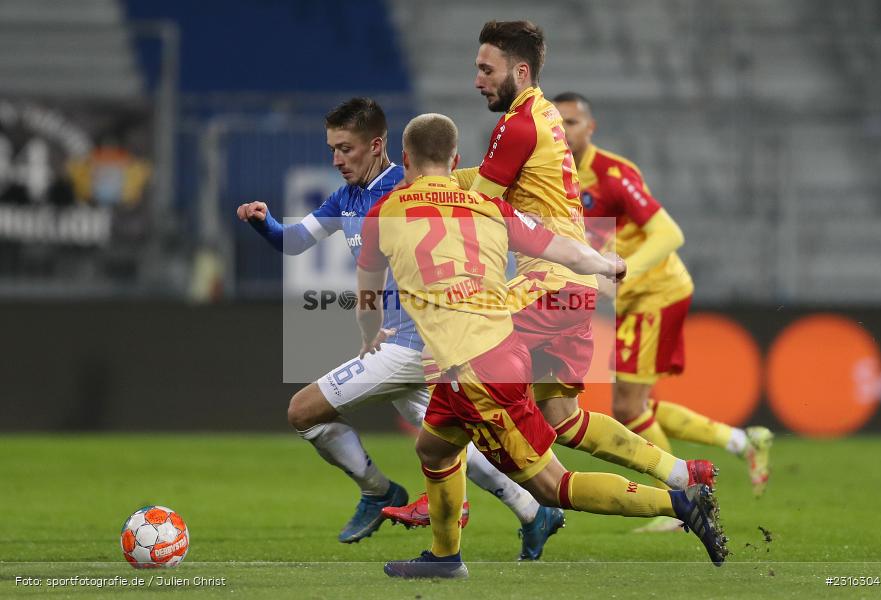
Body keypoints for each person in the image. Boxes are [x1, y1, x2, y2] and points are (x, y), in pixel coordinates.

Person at [386, 21, 717, 552]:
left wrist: (416, 187)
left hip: (546, 285)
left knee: (463, 366)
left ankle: (459, 503)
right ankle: (681, 473)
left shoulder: (517, 126)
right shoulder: (538, 115)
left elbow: (476, 207)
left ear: (519, 70)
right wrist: (428, 178)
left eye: (485, 69)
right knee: (563, 418)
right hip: (572, 290)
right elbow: (476, 185)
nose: (477, 80)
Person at [237, 97, 560, 553]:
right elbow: (293, 241)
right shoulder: (345, 198)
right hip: (403, 342)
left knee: (303, 411)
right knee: (452, 445)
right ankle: (534, 509)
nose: (336, 159)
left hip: (414, 344)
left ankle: (377, 490)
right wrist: (262, 221)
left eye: (345, 149)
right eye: (332, 148)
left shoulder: (407, 190)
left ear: (377, 145)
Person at [552, 91, 774, 529]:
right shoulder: (554, 176)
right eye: (557, 122)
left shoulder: (612, 175)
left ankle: (683, 503)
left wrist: (624, 271)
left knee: (630, 407)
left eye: (573, 121)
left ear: (590, 128)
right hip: (633, 297)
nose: (564, 129)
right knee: (636, 406)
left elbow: (669, 233)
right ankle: (742, 441)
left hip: (656, 292)